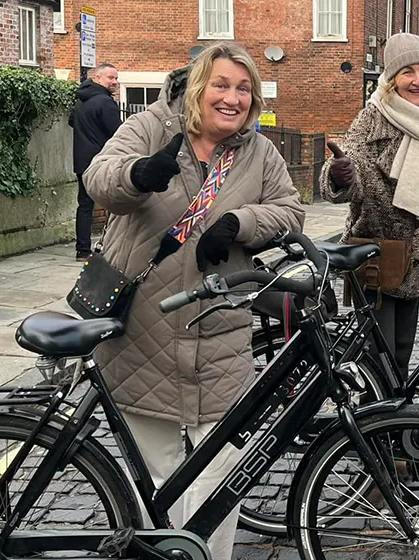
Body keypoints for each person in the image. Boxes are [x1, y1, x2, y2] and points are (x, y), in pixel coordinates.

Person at [83, 42, 304, 560]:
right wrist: (137, 177)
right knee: (155, 476)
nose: (232, 98)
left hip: (219, 328)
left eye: (243, 88)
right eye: (222, 85)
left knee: (220, 475)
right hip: (141, 330)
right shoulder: (153, 127)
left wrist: (239, 224)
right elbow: (99, 176)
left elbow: (290, 211)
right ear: (198, 85)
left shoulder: (259, 152)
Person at [322, 33, 419, 376]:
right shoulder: (373, 117)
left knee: (402, 352)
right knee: (379, 357)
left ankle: (394, 423)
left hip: (417, 253)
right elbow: (347, 170)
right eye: (407, 72)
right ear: (392, 79)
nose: (418, 80)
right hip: (379, 253)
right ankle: (374, 423)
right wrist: (341, 175)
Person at [69, 63, 122, 260]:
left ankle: (82, 250)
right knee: (115, 202)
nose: (115, 82)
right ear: (98, 78)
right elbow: (119, 134)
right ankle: (111, 246)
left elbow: (71, 122)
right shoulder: (105, 102)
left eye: (116, 78)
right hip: (102, 162)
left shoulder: (81, 101)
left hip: (82, 161)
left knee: (84, 205)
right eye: (111, 78)